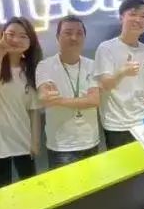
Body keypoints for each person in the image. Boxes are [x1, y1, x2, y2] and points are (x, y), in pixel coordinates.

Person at [0, 17, 42, 187]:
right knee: (1, 188)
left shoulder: (30, 70)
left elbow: (34, 110)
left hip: (23, 140)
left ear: (31, 41)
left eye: (23, 36)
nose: (16, 40)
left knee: (30, 187)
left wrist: (35, 142)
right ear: (2, 35)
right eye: (11, 34)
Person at [35, 15, 101, 169]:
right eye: (68, 32)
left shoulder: (92, 65)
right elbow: (45, 97)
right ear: (58, 37)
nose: (74, 37)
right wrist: (50, 98)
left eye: (79, 33)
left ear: (84, 38)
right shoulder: (45, 66)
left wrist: (59, 100)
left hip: (91, 140)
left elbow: (94, 100)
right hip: (61, 146)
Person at [94, 0, 144, 148]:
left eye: (143, 16)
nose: (138, 19)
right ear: (121, 17)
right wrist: (123, 71)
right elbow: (104, 86)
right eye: (133, 14)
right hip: (117, 124)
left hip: (142, 120)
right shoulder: (106, 48)